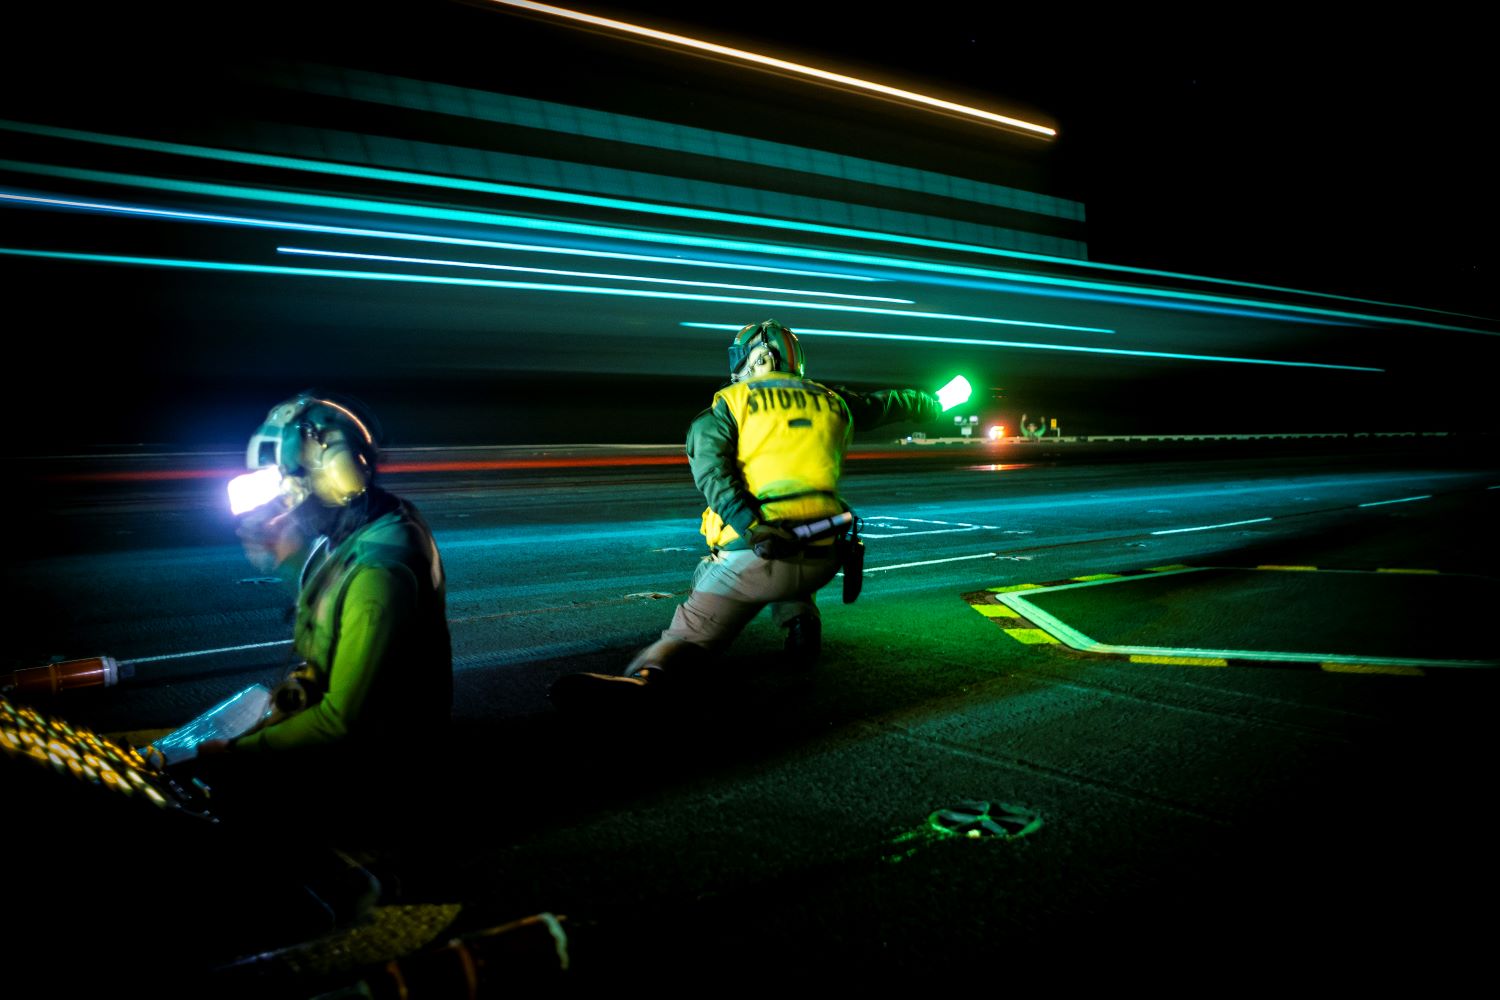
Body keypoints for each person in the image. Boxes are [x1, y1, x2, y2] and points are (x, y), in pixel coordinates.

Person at [552, 319, 943, 706]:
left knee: (689, 634)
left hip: (756, 556)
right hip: (823, 551)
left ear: (762, 359)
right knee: (793, 552)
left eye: (742, 356)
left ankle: (645, 682)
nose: (737, 366)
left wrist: (751, 526)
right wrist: (932, 402)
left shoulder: (727, 406)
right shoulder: (833, 399)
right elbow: (889, 403)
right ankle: (801, 624)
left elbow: (713, 476)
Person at [198, 392, 452, 786]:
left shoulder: (379, 571)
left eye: (293, 490)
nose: (284, 507)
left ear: (336, 475)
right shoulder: (369, 523)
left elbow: (341, 722)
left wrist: (236, 754)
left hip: (386, 764)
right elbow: (328, 625)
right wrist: (288, 558)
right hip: (380, 739)